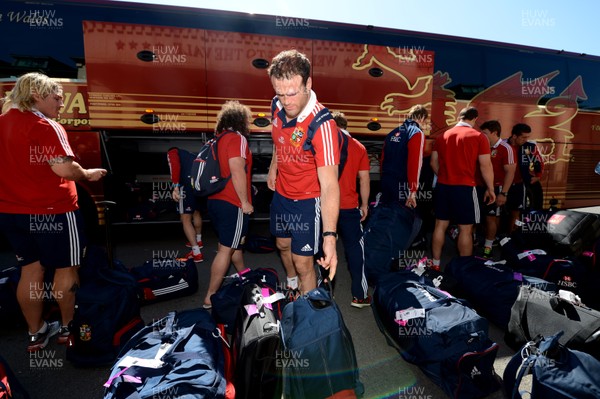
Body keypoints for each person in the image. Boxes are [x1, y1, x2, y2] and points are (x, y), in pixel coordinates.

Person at [0, 72, 107, 351]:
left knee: (30, 270)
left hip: (12, 213)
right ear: (37, 95)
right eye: (57, 98)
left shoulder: (2, 123)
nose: (62, 104)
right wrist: (87, 173)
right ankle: (68, 328)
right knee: (66, 269)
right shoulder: (45, 126)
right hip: (55, 211)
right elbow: (62, 168)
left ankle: (35, 333)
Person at [267, 49, 340, 293]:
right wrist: (273, 168)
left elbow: (330, 185)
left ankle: (307, 314)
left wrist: (329, 237)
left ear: (308, 84)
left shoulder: (323, 125)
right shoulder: (275, 105)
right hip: (281, 195)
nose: (285, 100)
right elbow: (280, 141)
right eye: (279, 93)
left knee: (302, 262)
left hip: (307, 202)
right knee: (282, 245)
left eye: (291, 93)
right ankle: (291, 284)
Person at [202, 100, 253, 309]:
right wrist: (245, 202)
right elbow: (237, 169)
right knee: (226, 248)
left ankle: (244, 278)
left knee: (233, 244)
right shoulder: (237, 139)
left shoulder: (217, 140)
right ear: (241, 121)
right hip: (232, 202)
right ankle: (210, 296)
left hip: (215, 200)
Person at [430, 107, 495, 269]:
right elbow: (485, 165)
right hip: (465, 187)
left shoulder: (442, 136)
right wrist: (491, 188)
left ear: (459, 117)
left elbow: (433, 162)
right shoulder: (479, 137)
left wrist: (446, 176)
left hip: (443, 186)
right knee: (465, 229)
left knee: (440, 225)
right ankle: (465, 269)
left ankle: (436, 264)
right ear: (474, 119)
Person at [331, 111, 371, 308]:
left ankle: (323, 295)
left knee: (324, 248)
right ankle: (359, 295)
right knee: (355, 248)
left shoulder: (326, 144)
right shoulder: (359, 147)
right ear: (346, 126)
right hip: (348, 206)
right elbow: (364, 179)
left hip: (326, 206)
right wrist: (364, 205)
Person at [477, 120, 516, 257]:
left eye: (485, 133)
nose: (482, 135)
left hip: (496, 188)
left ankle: (488, 249)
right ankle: (477, 243)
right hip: (479, 187)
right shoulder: (482, 145)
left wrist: (503, 193)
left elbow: (510, 172)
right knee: (477, 218)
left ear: (494, 133)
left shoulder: (506, 148)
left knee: (491, 218)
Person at [380, 104, 428, 208]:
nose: (425, 124)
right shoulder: (417, 133)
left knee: (386, 215)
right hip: (402, 184)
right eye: (425, 121)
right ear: (422, 117)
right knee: (400, 218)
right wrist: (413, 190)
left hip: (386, 180)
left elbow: (382, 159)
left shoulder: (392, 132)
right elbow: (415, 164)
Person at [167, 147, 204, 263]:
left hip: (186, 186)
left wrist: (175, 187)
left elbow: (175, 168)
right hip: (197, 185)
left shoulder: (172, 152)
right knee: (197, 212)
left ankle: (196, 253)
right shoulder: (191, 154)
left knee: (185, 218)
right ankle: (198, 240)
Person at [506, 123, 545, 232]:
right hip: (503, 184)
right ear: (514, 136)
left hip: (521, 183)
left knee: (518, 211)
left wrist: (538, 176)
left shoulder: (528, 147)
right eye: (523, 137)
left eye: (527, 137)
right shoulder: (503, 145)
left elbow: (538, 162)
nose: (525, 139)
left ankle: (514, 235)